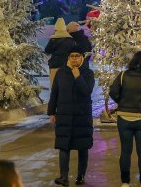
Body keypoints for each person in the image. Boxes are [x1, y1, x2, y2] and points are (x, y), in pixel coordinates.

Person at [109, 51, 141, 187]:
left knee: (125, 151)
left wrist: (122, 102)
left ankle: (125, 182)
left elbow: (113, 91)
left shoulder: (123, 75)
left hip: (124, 117)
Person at [47, 46, 94, 186]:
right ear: (68, 58)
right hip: (64, 115)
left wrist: (77, 75)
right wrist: (52, 112)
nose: (74, 58)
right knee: (63, 146)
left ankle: (80, 176)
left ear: (82, 58)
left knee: (82, 147)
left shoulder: (88, 73)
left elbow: (86, 91)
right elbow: (54, 92)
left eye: (77, 56)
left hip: (82, 116)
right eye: (72, 56)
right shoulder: (61, 73)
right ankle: (64, 177)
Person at [45, 18, 77, 88]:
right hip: (67, 66)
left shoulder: (53, 39)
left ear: (56, 28)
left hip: (54, 65)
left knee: (54, 88)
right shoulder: (70, 39)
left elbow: (47, 51)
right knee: (65, 88)